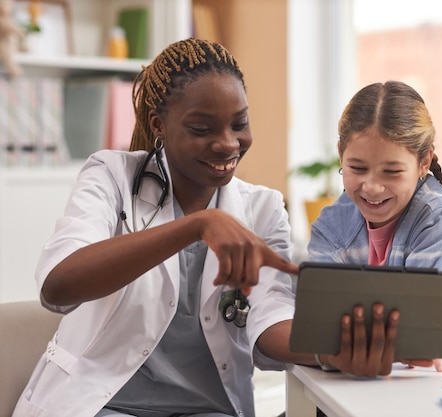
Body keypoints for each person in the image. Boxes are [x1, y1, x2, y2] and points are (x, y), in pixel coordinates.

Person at [11, 39, 418, 417]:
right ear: (158, 124)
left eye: (239, 123)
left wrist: (333, 350)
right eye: (202, 129)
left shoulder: (263, 208)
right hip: (101, 404)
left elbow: (269, 321)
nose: (228, 143)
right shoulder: (112, 176)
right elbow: (58, 286)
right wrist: (197, 226)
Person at [308, 81, 442, 358]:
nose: (372, 187)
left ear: (424, 161)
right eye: (358, 168)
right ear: (341, 154)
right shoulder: (331, 224)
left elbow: (420, 334)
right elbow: (318, 326)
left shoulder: (441, 222)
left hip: (429, 386)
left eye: (392, 171)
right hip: (345, 384)